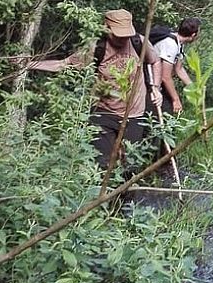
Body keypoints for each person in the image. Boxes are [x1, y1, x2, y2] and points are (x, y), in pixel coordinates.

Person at [30, 9, 162, 170]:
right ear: (106, 28)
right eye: (118, 35)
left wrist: (155, 88)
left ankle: (125, 194)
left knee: (130, 165)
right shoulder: (96, 47)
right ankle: (102, 193)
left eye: (126, 34)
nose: (123, 39)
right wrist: (30, 64)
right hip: (104, 113)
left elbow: (155, 61)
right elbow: (63, 64)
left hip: (135, 114)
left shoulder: (138, 42)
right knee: (102, 164)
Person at [152, 17, 201, 115]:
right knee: (165, 113)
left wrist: (194, 88)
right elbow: (165, 77)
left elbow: (179, 69)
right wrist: (176, 100)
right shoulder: (170, 44)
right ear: (193, 35)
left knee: (168, 112)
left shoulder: (179, 43)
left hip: (159, 83)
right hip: (151, 83)